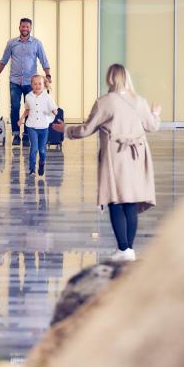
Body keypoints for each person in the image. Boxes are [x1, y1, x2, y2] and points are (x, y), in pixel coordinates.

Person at [52, 64, 161, 261]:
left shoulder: (104, 102)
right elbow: (152, 126)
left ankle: (123, 249)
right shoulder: (139, 101)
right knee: (130, 201)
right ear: (127, 78)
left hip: (115, 157)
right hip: (137, 157)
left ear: (109, 79)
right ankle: (129, 250)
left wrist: (66, 131)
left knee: (115, 201)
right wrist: (155, 113)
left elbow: (86, 129)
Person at [0, 18, 51, 147]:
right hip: (15, 82)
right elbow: (3, 61)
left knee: (31, 108)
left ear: (31, 28)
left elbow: (44, 61)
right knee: (15, 107)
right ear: (19, 27)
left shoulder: (37, 43)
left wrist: (48, 75)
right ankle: (16, 134)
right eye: (23, 26)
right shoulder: (12, 43)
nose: (25, 29)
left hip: (31, 83)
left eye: (27, 27)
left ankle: (26, 135)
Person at [19, 74, 59, 177]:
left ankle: (42, 163)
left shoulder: (47, 97)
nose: (37, 86)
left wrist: (54, 111)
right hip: (31, 126)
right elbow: (27, 110)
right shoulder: (28, 97)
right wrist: (21, 119)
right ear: (31, 85)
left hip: (44, 127)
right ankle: (32, 169)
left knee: (42, 150)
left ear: (43, 85)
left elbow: (54, 108)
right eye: (35, 84)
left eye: (39, 84)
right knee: (34, 148)